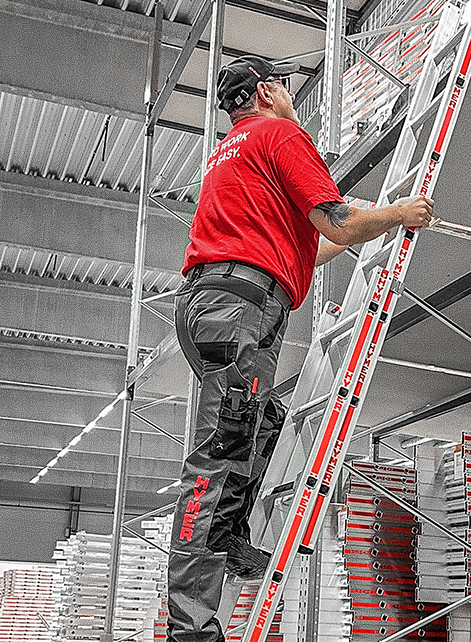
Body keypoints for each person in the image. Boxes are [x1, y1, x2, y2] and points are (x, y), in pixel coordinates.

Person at [167, 55, 434, 642]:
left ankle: (230, 537)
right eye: (285, 87)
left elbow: (303, 251)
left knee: (261, 426)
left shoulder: (229, 154)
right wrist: (396, 214)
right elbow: (336, 222)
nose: (291, 96)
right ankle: (190, 630)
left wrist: (373, 225)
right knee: (218, 454)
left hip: (215, 302)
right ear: (267, 91)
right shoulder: (281, 133)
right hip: (241, 306)